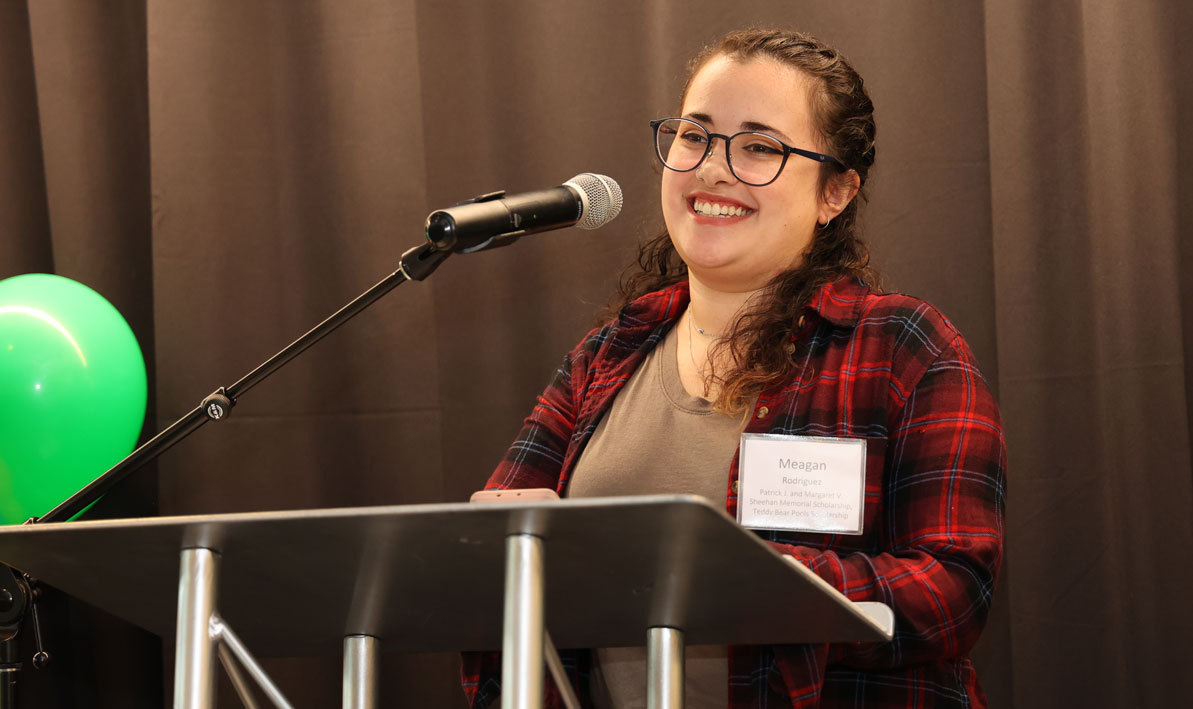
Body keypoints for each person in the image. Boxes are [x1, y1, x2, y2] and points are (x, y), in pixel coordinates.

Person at [463, 27, 1005, 708]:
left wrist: (748, 576)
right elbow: (481, 563)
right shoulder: (604, 356)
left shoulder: (905, 347)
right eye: (695, 136)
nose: (713, 169)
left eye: (759, 148)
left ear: (834, 193)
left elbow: (954, 589)